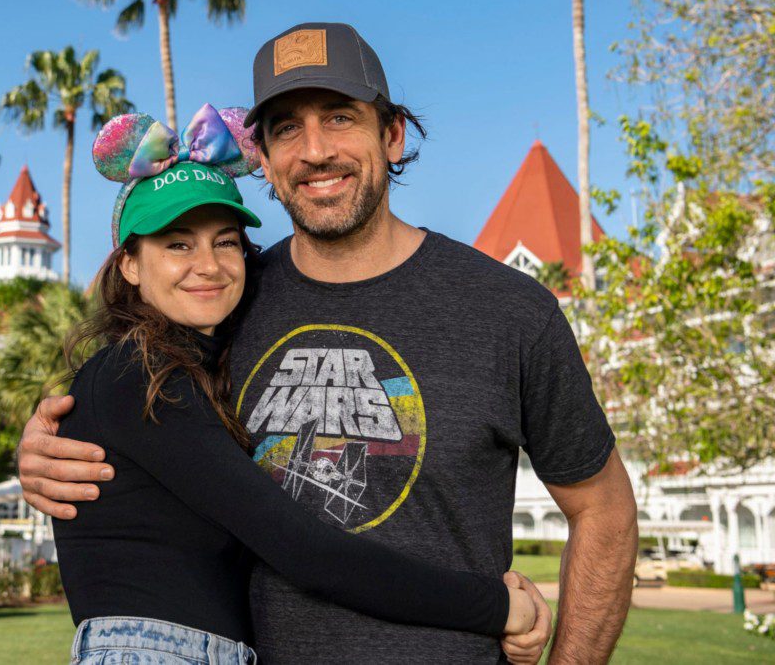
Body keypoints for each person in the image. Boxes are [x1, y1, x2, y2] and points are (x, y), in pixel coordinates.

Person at [20, 23, 638, 664]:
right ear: (261, 155)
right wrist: (45, 445)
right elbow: (134, 403)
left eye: (340, 118)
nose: (314, 151)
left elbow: (605, 511)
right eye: (286, 127)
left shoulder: (508, 311)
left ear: (392, 134)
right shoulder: (225, 300)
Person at [55, 103, 542, 665]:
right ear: (131, 265)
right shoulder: (133, 376)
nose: (209, 265)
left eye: (227, 241)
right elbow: (306, 551)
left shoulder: (189, 370)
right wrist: (497, 608)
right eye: (177, 244)